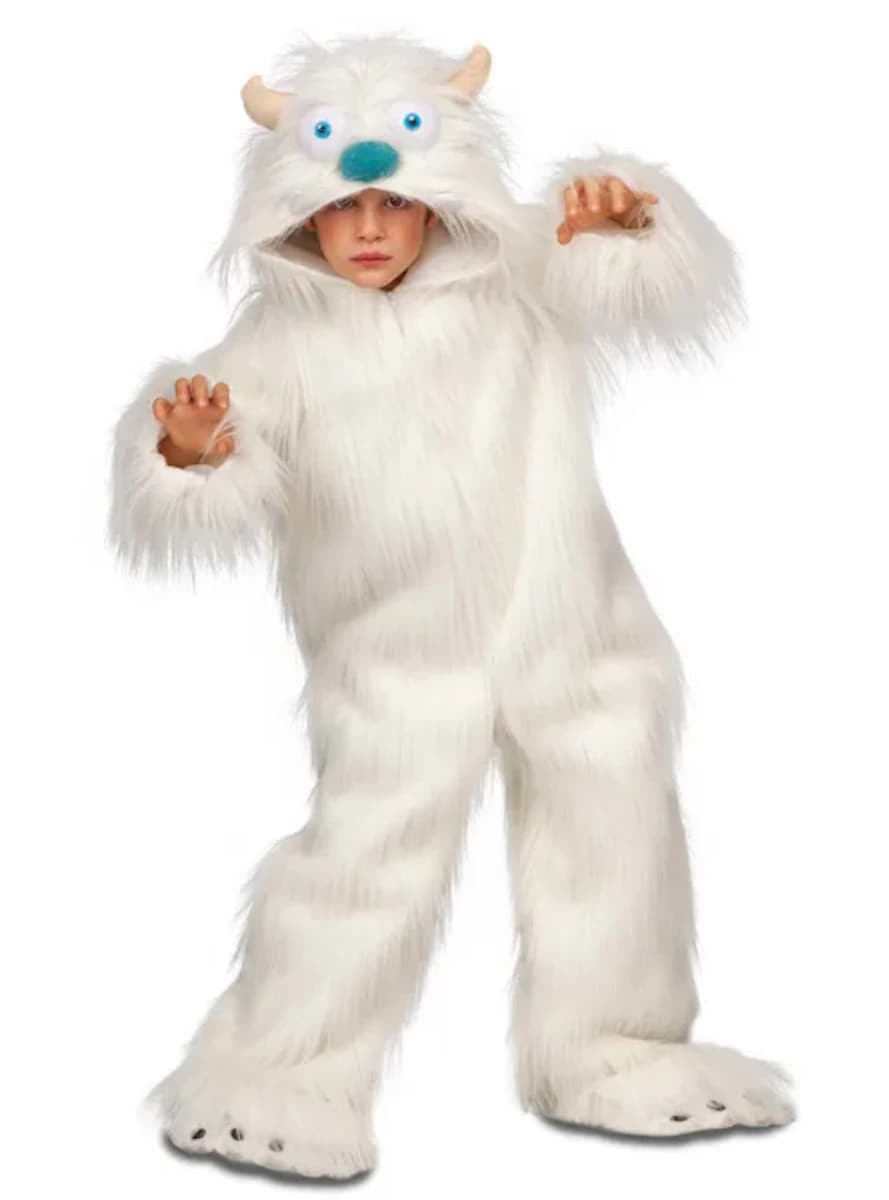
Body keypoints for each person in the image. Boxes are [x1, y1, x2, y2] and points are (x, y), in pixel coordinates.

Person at [108, 33, 795, 1181]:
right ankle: (280, 1072)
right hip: (393, 656)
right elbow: (205, 462)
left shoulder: (514, 273)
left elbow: (627, 270)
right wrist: (189, 445)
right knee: (366, 852)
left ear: (439, 198)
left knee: (615, 824)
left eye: (396, 202)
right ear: (297, 214)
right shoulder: (276, 343)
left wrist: (628, 218)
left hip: (578, 628)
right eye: (343, 206)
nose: (371, 228)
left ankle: (616, 1048)